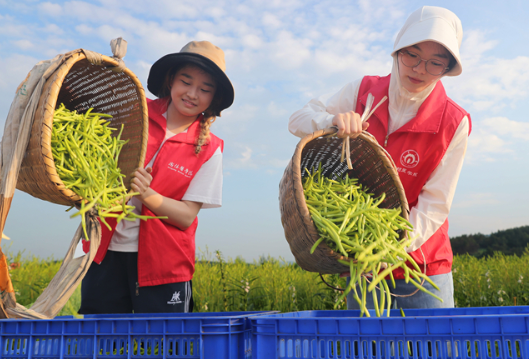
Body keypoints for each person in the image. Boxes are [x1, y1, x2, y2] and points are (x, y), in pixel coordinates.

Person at [288, 6, 470, 309]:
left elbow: (436, 203)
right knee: (369, 347)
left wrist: (388, 247)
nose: (419, 69)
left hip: (423, 264)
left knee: (434, 348)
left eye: (435, 63)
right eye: (411, 54)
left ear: (447, 69)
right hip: (361, 258)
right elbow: (298, 119)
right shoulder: (364, 91)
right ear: (397, 49)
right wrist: (331, 122)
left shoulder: (454, 122)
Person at [79, 41, 235, 314]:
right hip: (105, 252)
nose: (192, 94)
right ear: (171, 80)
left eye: (205, 89)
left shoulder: (211, 148)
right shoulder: (134, 111)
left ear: (214, 98)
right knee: (103, 343)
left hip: (165, 265)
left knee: (163, 346)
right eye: (186, 82)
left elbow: (187, 215)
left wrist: (147, 195)